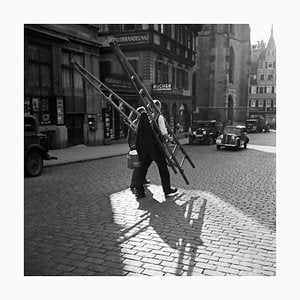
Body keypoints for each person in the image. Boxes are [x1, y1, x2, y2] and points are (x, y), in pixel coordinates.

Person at [135, 99, 178, 198]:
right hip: (157, 146)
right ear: (159, 107)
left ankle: (139, 190)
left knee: (143, 168)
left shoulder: (149, 117)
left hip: (149, 146)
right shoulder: (160, 117)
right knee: (163, 168)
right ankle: (167, 190)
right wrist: (170, 138)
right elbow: (164, 132)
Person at [127, 106, 150, 190]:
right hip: (137, 147)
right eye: (144, 113)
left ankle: (142, 179)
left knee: (143, 165)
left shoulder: (134, 122)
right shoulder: (138, 123)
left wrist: (130, 146)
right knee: (138, 166)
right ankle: (133, 183)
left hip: (136, 146)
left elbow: (128, 137)